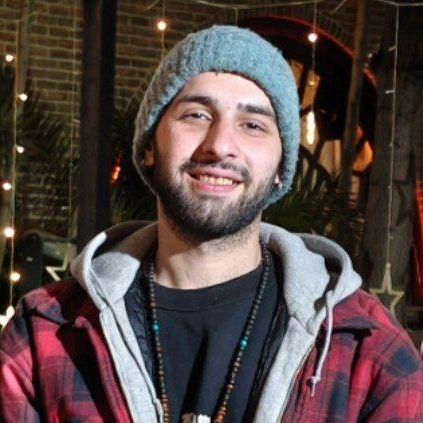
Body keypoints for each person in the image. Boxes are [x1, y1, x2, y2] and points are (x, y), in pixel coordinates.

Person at [0, 25, 422, 423]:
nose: (220, 145)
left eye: (253, 125)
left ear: (281, 168)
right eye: (197, 115)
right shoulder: (45, 333)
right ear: (149, 147)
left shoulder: (367, 348)